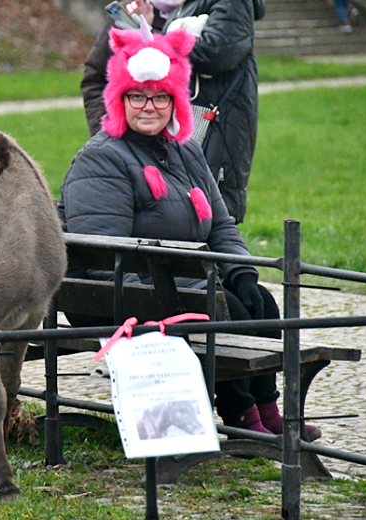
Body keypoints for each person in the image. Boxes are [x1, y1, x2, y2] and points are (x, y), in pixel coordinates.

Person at [58, 24, 320, 439]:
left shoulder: (185, 150)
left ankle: (270, 410)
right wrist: (162, 290)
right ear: (119, 99)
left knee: (258, 299)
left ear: (175, 100)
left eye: (160, 96)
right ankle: (241, 414)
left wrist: (242, 271)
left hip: (180, 283)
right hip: (123, 293)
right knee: (221, 305)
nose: (150, 106)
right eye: (138, 96)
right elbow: (105, 256)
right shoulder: (102, 160)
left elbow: (221, 224)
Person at [81, 0, 265, 224]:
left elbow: (218, 53)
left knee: (209, 226)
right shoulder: (132, 8)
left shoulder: (228, 4)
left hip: (207, 143)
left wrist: (149, 36)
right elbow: (97, 77)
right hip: (134, 156)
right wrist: (112, 137)